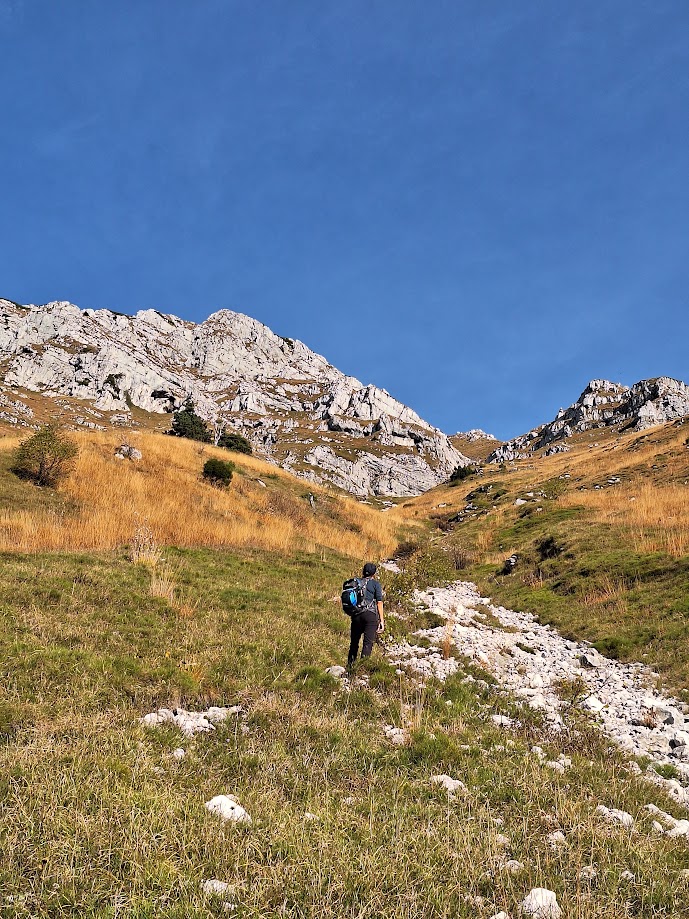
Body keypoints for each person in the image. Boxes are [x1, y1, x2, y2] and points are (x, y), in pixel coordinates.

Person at [347, 562, 384, 668]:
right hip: (370, 615)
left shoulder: (355, 582)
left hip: (357, 615)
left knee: (354, 643)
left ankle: (350, 667)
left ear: (363, 571)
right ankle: (361, 669)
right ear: (374, 573)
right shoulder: (376, 584)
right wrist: (381, 620)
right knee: (367, 643)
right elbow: (379, 602)